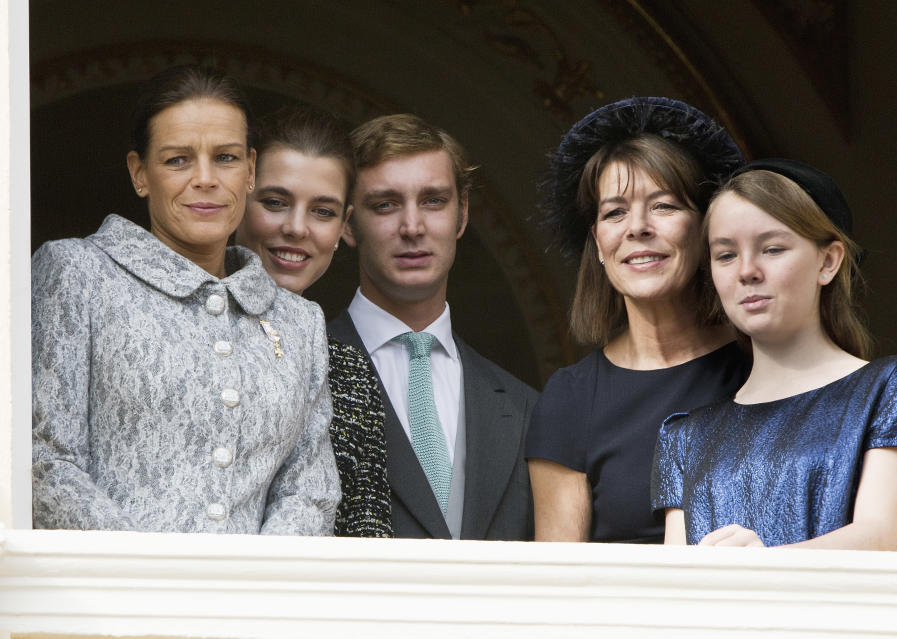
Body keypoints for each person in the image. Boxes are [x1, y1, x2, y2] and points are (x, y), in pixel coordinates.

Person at [31, 66, 341, 534]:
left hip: (250, 603)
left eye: (226, 158)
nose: (205, 179)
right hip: (108, 598)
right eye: (178, 160)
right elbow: (43, 458)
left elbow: (310, 491)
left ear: (251, 170)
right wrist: (152, 583)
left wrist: (253, 590)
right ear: (140, 173)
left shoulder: (298, 321)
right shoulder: (77, 273)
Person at [653, 159, 897, 549]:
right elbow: (675, 581)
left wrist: (761, 570)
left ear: (828, 261)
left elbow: (879, 537)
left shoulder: (893, 388)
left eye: (772, 249)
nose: (747, 270)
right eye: (725, 255)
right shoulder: (684, 437)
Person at [526, 97, 749, 543]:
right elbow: (561, 584)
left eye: (664, 206)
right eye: (614, 212)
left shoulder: (762, 366)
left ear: (705, 226)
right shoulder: (570, 399)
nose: (638, 227)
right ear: (598, 243)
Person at [327, 113, 537, 540]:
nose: (412, 227)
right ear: (347, 224)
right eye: (385, 204)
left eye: (433, 201)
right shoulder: (300, 372)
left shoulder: (525, 407)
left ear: (461, 217)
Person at [235, 106, 391, 537]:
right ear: (236, 198)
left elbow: (368, 539)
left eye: (322, 212)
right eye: (274, 203)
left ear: (345, 226)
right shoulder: (170, 328)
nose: (296, 227)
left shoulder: (349, 371)